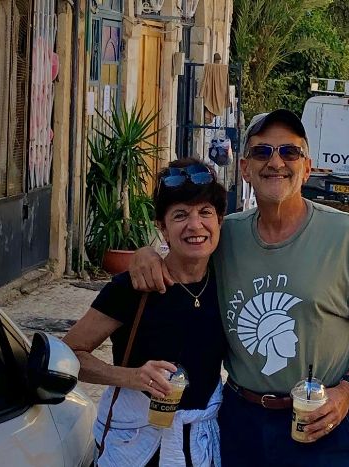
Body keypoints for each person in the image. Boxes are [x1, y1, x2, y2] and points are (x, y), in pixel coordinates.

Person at [129, 109, 349, 466]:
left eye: (290, 152)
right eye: (262, 152)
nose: (276, 162)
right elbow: (183, 248)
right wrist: (146, 252)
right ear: (245, 168)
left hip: (320, 422)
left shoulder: (346, 235)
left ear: (307, 167)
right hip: (242, 421)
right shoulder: (228, 235)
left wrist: (348, 390)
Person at [63, 158, 228, 466]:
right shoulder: (134, 287)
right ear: (162, 228)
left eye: (205, 212)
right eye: (180, 215)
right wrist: (131, 377)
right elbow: (70, 352)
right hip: (135, 448)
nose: (195, 225)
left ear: (220, 220)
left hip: (200, 447)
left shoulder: (227, 283)